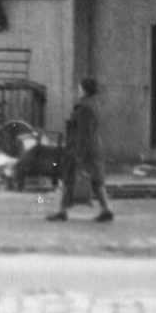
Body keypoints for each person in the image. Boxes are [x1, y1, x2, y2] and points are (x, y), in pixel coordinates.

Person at [46, 77, 113, 223]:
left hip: (81, 148)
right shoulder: (95, 104)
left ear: (85, 90)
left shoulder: (84, 108)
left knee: (69, 177)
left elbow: (83, 133)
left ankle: (62, 211)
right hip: (93, 147)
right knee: (96, 180)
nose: (78, 90)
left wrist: (78, 155)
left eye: (80, 88)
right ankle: (106, 209)